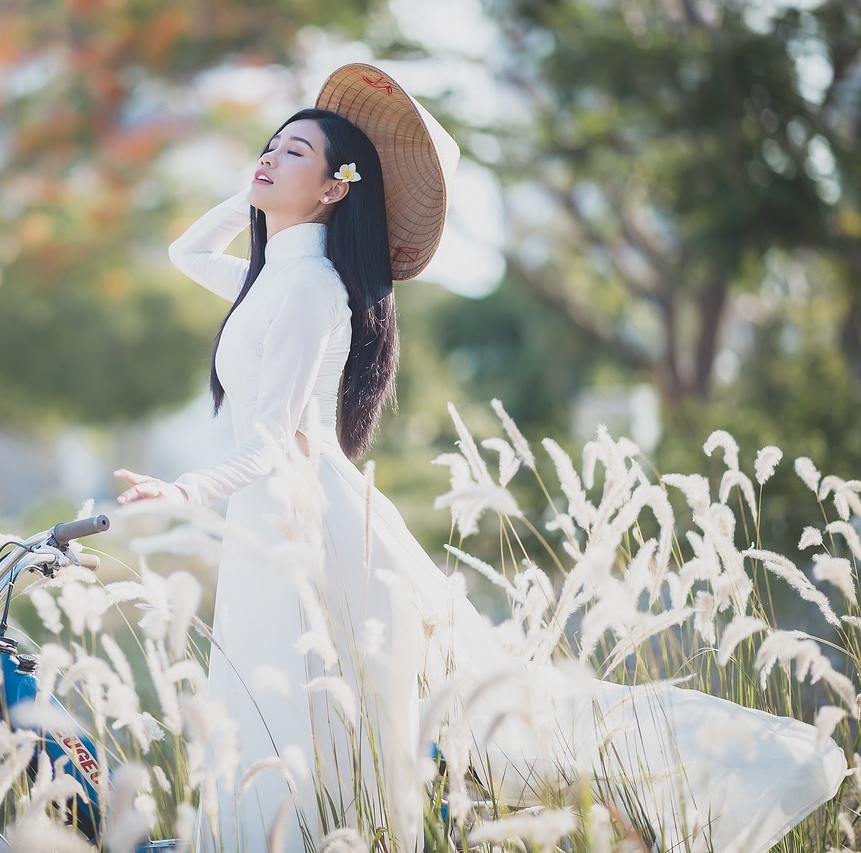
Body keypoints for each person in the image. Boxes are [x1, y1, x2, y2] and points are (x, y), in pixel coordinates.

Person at [114, 63, 845, 852]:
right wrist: (260, 188)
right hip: (278, 516)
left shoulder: (307, 287)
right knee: (294, 720)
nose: (268, 157)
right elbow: (187, 251)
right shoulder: (275, 278)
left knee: (319, 718)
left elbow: (274, 437)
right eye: (269, 145)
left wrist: (180, 489)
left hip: (305, 522)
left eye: (294, 153)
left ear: (334, 190)